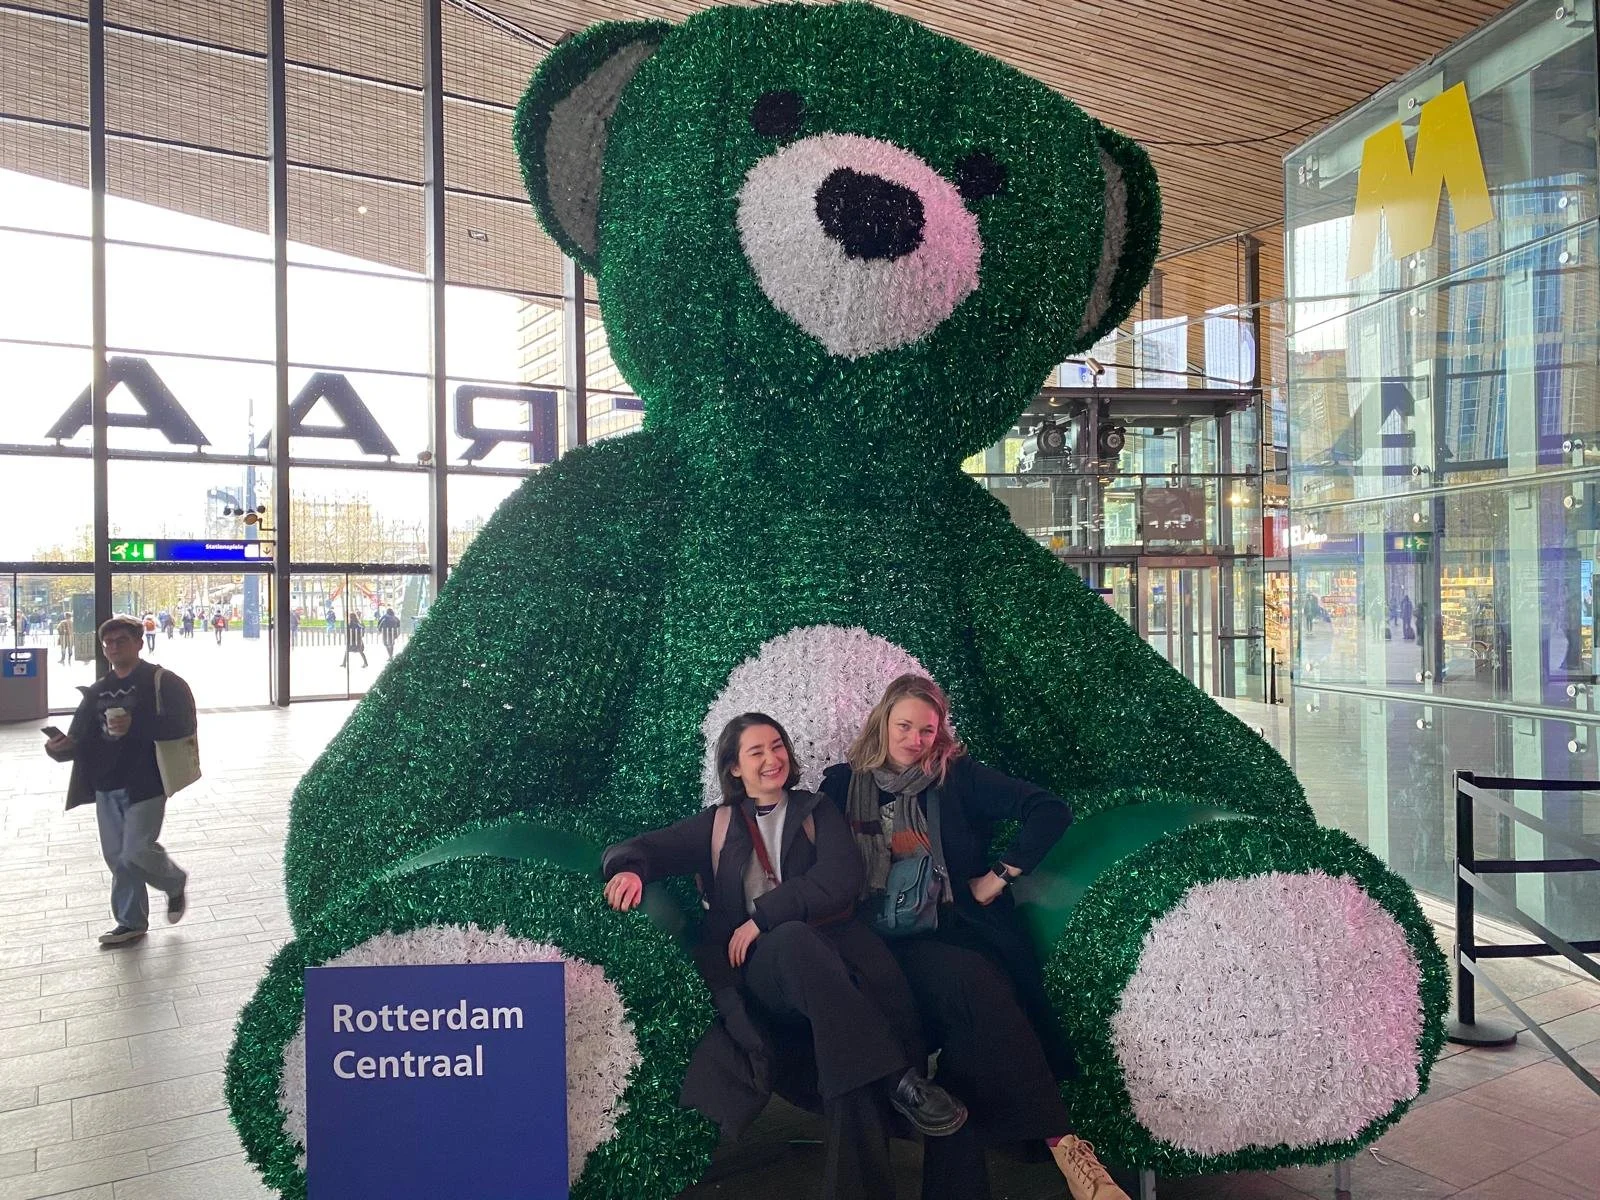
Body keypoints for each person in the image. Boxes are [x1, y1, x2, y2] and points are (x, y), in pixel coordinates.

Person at [603, 713, 966, 1200]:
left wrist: (761, 917)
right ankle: (900, 1079)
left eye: (777, 746)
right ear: (734, 768)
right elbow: (642, 848)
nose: (772, 759)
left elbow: (841, 879)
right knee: (795, 942)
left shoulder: (817, 811)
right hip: (763, 973)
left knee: (843, 1048)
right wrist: (629, 870)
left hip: (835, 966)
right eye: (757, 752)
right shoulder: (716, 824)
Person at [820, 674, 1127, 1200]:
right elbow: (814, 861)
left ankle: (1065, 1149)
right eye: (905, 726)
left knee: (973, 1014)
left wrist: (997, 877)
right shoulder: (841, 786)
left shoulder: (954, 776)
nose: (914, 739)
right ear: (882, 720)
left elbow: (1049, 810)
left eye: (927, 730)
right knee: (978, 1000)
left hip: (951, 929)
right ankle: (1065, 1144)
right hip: (877, 945)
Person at [43, 615, 192, 947]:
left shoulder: (162, 682)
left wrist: (134, 726)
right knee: (117, 857)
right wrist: (61, 748)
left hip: (147, 781)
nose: (112, 648)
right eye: (107, 643)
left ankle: (173, 881)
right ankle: (131, 922)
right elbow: (80, 738)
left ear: (139, 642)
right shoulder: (98, 690)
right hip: (105, 783)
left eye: (120, 641)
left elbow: (183, 726)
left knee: (136, 850)